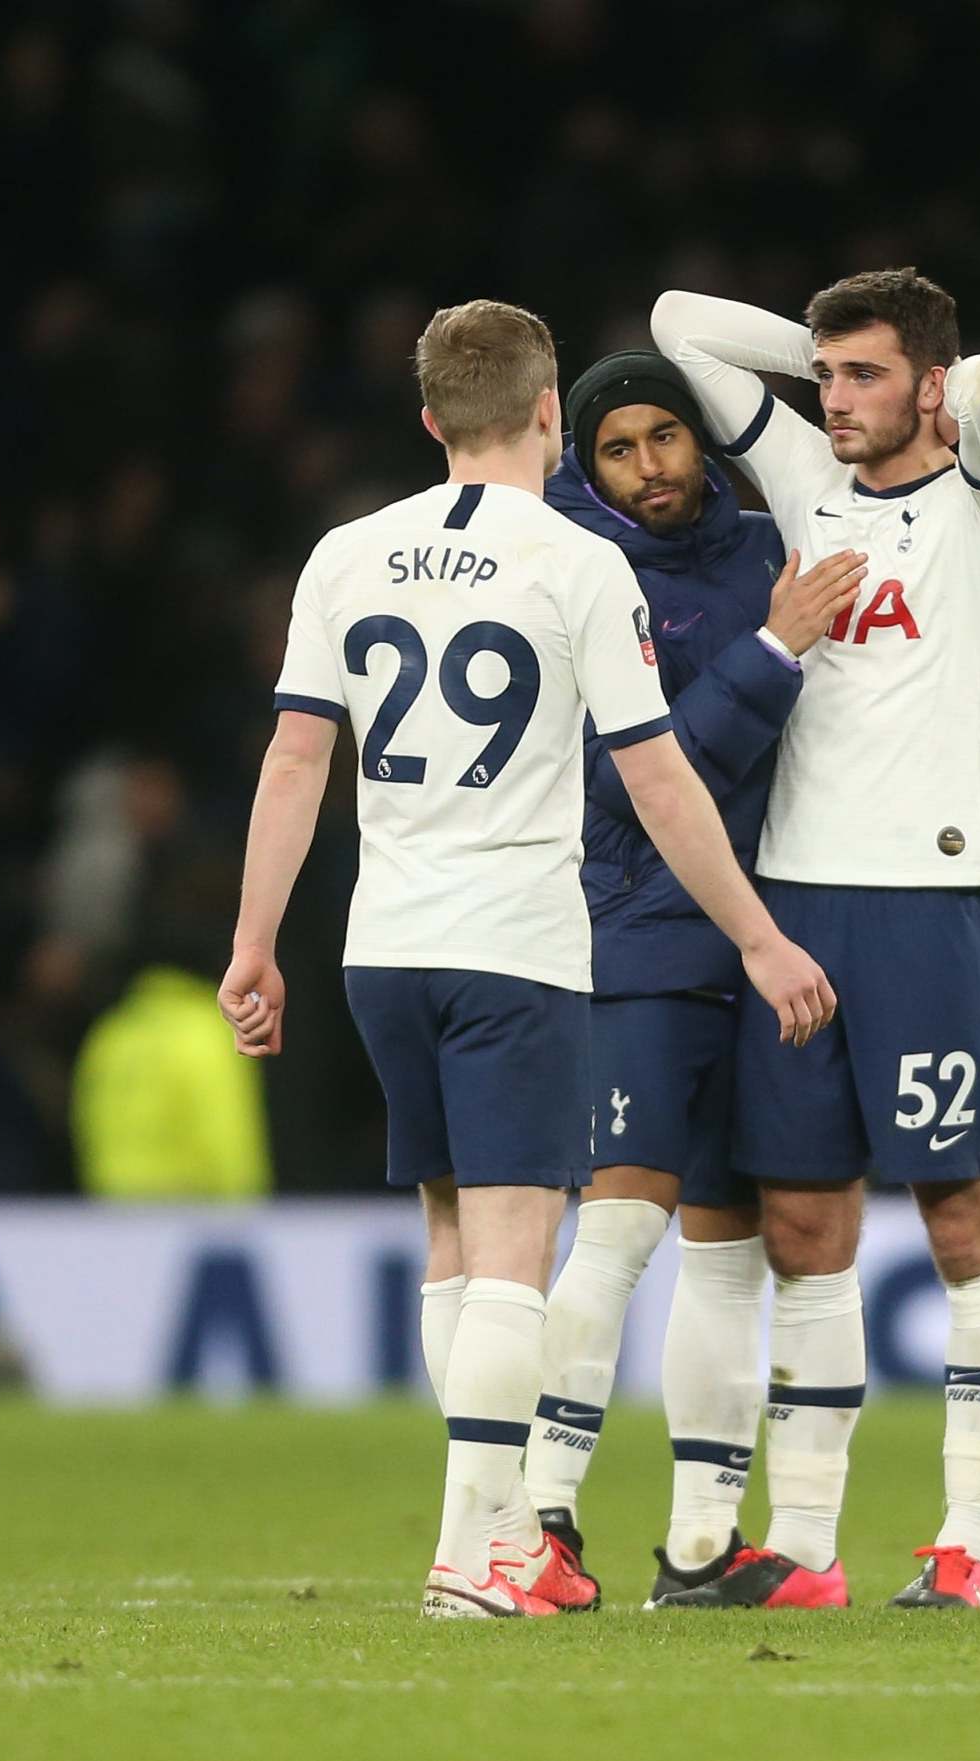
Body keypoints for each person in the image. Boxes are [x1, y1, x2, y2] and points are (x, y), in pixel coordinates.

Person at [216, 299, 835, 1621]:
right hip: (516, 947)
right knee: (512, 1259)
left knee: (450, 1249)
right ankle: (473, 1558)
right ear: (552, 413)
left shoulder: (344, 554)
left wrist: (254, 942)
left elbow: (295, 759)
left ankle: (501, 1535)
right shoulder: (577, 562)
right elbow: (657, 779)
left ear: (429, 419)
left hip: (382, 946)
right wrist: (759, 934)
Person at [518, 349, 980, 1607]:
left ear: (704, 440)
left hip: (787, 936)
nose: (648, 468)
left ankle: (716, 1544)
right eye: (615, 450)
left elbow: (884, 698)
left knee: (741, 1248)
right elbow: (622, 783)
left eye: (666, 436)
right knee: (621, 1226)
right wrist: (771, 644)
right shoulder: (576, 573)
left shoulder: (786, 537)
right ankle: (536, 1519)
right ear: (583, 466)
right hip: (651, 938)